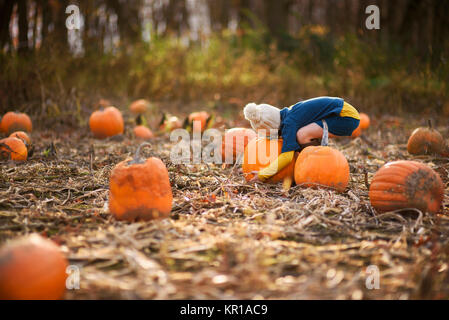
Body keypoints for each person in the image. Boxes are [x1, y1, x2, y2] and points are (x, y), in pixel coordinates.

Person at [243, 96, 360, 182]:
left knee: (302, 135)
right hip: (342, 112)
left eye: (272, 135)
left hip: (345, 117)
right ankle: (311, 163)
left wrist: (263, 174)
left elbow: (287, 157)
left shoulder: (289, 124)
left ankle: (314, 167)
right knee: (300, 135)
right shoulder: (289, 114)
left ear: (274, 127)